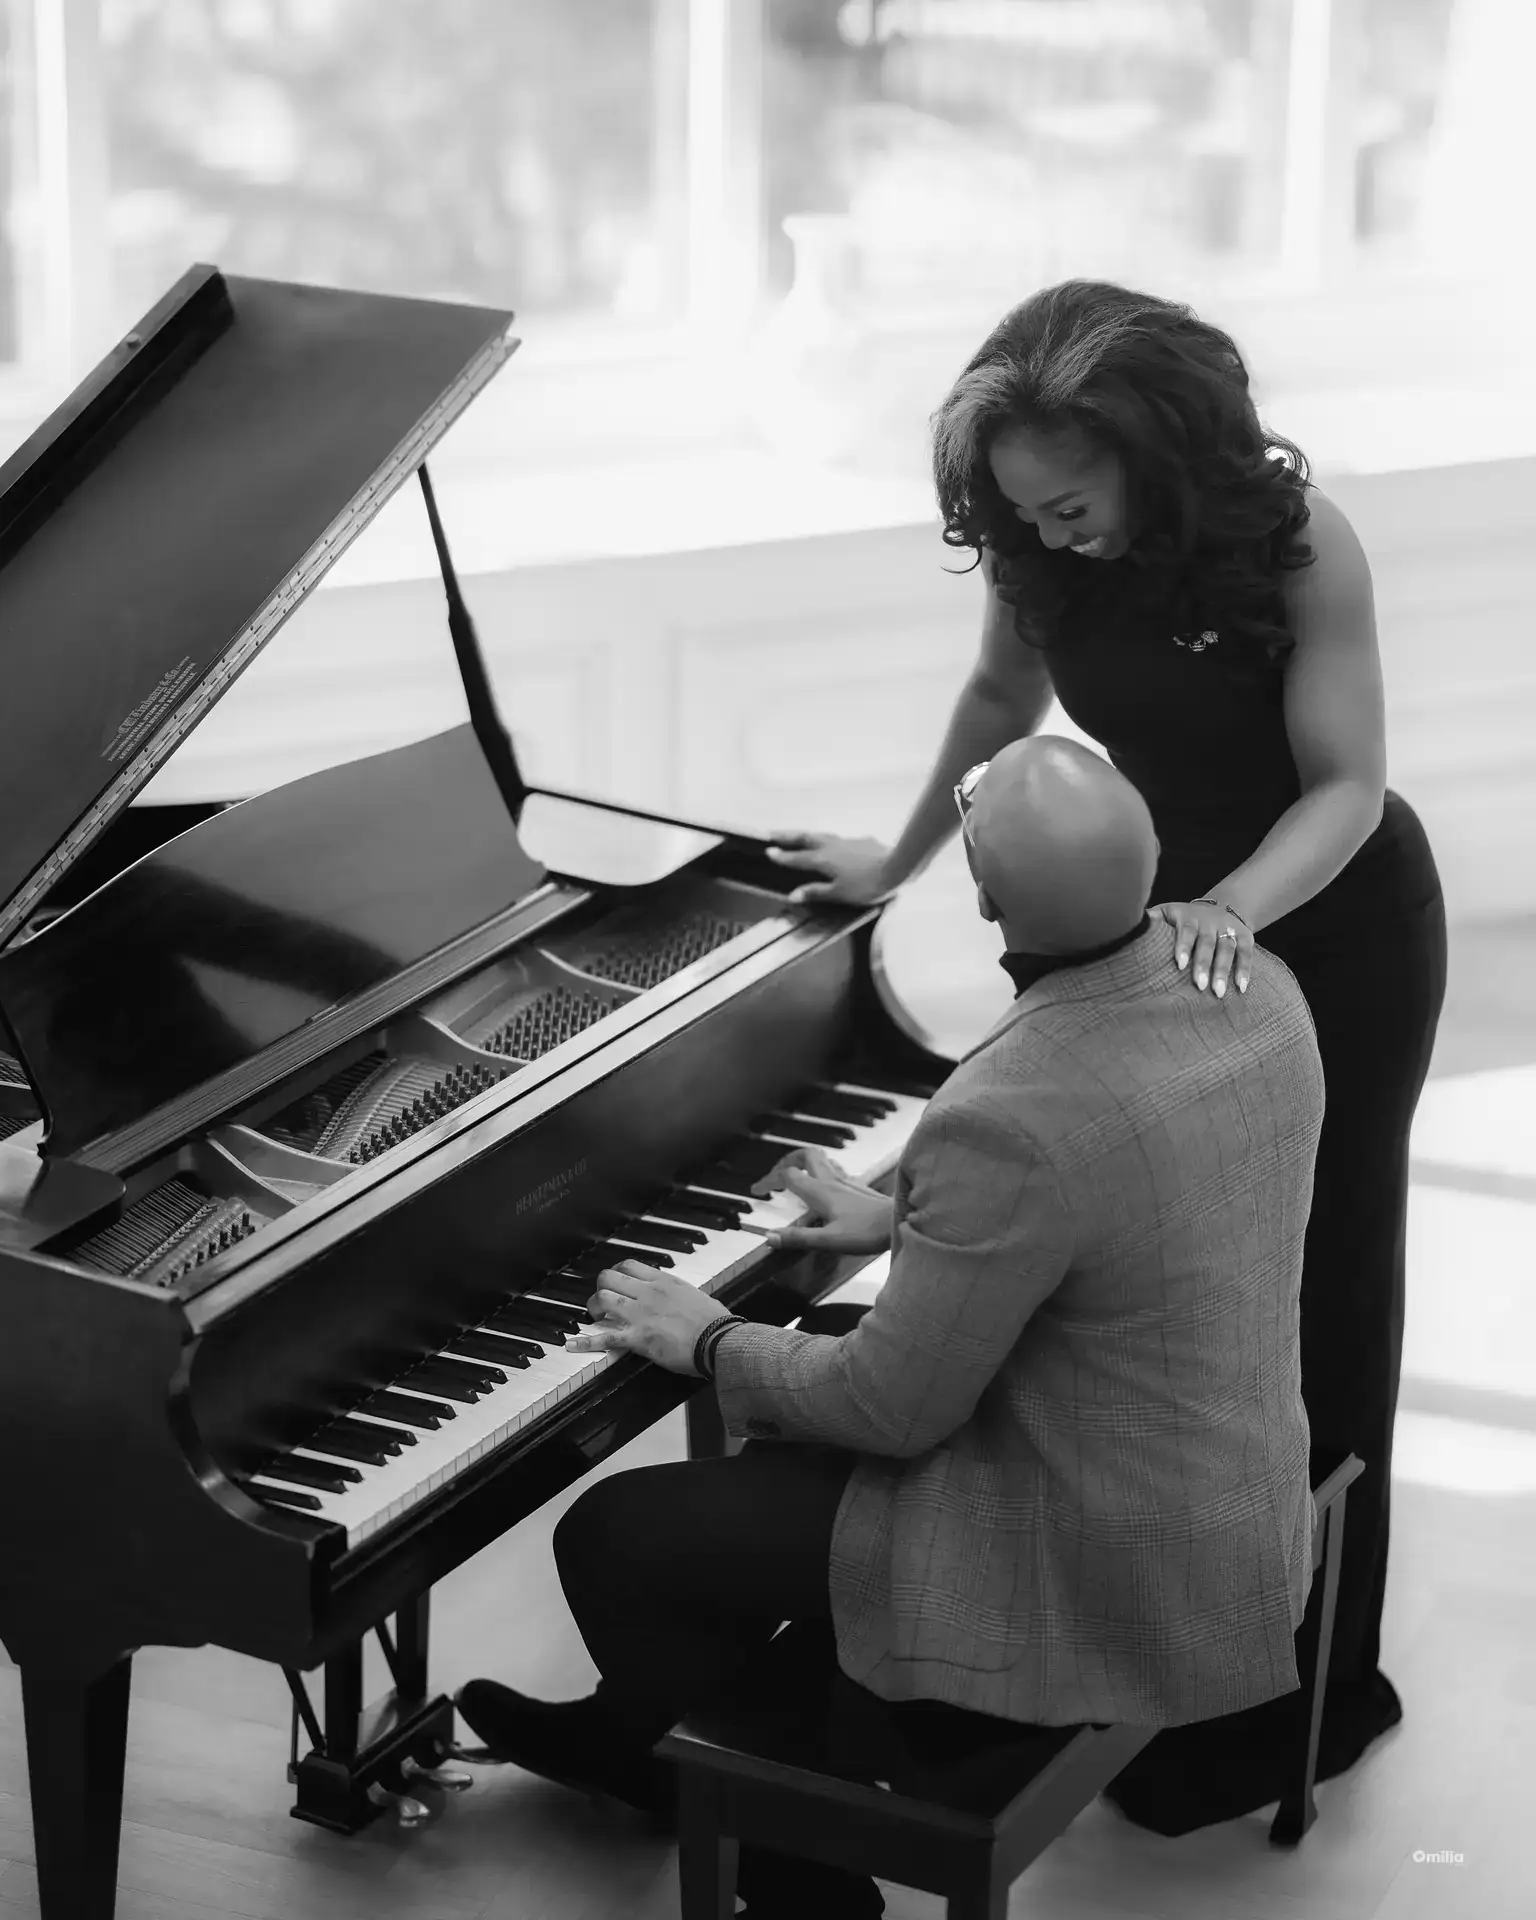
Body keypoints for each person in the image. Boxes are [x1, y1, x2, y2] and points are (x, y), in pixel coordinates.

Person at [765, 280, 1447, 1830]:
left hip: (1321, 919)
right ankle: (1119, 1651)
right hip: (1151, 913)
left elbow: (1347, 787)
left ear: (1155, 450)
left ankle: (1303, 1699)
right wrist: (894, 859)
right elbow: (1002, 698)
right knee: (1140, 1288)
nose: (1048, 535)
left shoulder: (1295, 544)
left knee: (1318, 1289)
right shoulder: (1032, 547)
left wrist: (1228, 916)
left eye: (1071, 503)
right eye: (1019, 510)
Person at [456, 736, 1325, 1918]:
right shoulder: (1254, 982)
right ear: (1157, 851)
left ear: (979, 897)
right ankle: (646, 1737)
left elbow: (894, 1408)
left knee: (615, 1534)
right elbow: (1135, 1208)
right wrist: (903, 1217)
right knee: (797, 1404)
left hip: (1082, 1547)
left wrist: (706, 1338)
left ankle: (790, 1859)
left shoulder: (1011, 1110)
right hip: (1224, 1484)